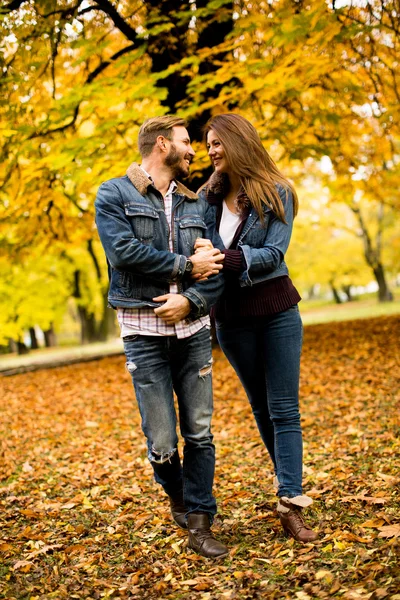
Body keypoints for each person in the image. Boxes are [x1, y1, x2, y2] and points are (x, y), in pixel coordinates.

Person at [94, 116, 229, 559]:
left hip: (192, 332)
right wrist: (186, 267)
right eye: (187, 142)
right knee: (163, 442)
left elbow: (214, 270)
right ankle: (177, 494)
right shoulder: (114, 194)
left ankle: (200, 522)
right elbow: (124, 253)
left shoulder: (198, 203)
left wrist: (191, 301)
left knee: (201, 432)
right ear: (160, 144)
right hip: (143, 332)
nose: (193, 151)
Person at [195, 113, 318, 543]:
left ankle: (290, 501)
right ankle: (289, 485)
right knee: (262, 409)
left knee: (285, 409)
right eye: (207, 144)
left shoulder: (276, 192)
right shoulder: (204, 201)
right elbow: (196, 254)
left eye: (216, 143)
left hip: (278, 311)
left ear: (239, 142)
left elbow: (273, 254)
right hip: (231, 319)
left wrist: (224, 258)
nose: (210, 151)